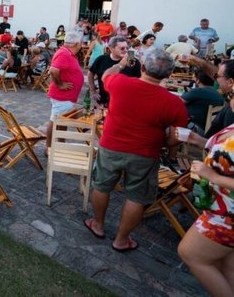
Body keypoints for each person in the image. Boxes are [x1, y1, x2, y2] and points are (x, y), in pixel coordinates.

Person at [85, 50, 188, 251]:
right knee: (136, 196)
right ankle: (121, 240)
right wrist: (165, 143)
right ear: (169, 75)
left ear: (141, 68)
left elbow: (106, 74)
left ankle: (98, 224)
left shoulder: (120, 83)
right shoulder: (174, 102)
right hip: (145, 152)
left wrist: (122, 64)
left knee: (102, 185)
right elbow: (178, 136)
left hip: (111, 146)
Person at [177, 102, 234, 297]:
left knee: (189, 252)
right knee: (226, 265)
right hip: (219, 206)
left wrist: (213, 177)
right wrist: (198, 140)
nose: (230, 99)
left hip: (227, 216)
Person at [45, 31, 84, 150]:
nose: (81, 45)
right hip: (62, 95)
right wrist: (60, 84)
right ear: (76, 43)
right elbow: (53, 70)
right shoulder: (64, 54)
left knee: (62, 121)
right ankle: (49, 147)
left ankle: (60, 144)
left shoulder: (67, 53)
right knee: (55, 120)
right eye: (80, 43)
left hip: (66, 96)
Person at [88, 36, 141, 106]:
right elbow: (91, 73)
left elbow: (140, 80)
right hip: (104, 100)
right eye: (122, 48)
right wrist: (93, 91)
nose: (125, 50)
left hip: (125, 102)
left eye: (127, 48)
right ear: (111, 48)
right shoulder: (101, 59)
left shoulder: (133, 61)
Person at [182, 69, 224, 134]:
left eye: (194, 78)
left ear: (198, 80)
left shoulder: (198, 91)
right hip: (210, 129)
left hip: (196, 127)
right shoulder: (214, 91)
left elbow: (178, 102)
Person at [205, 60, 234, 137]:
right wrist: (195, 139)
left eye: (217, 76)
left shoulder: (231, 111)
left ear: (230, 82)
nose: (216, 81)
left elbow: (225, 146)